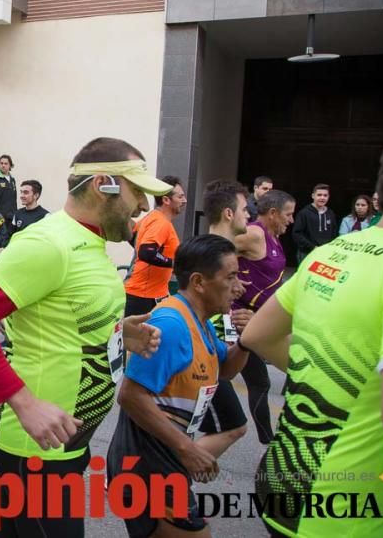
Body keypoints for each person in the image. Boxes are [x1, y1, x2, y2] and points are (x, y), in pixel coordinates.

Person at [0, 136, 166, 538]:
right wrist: (24, 402)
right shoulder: (48, 244)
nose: (144, 207)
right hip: (36, 444)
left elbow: (64, 316)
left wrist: (119, 334)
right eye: (138, 192)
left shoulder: (88, 240)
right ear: (105, 184)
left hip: (69, 436)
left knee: (13, 532)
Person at [241, 147, 383, 538]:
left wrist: (327, 376)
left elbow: (257, 334)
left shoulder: (333, 251)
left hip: (282, 479)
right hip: (348, 506)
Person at [108, 235, 250, 538]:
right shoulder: (172, 324)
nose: (239, 286)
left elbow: (225, 369)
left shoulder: (202, 321)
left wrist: (247, 340)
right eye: (231, 276)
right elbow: (130, 395)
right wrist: (188, 450)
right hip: (146, 465)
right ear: (199, 282)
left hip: (165, 460)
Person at [232, 188, 296, 445]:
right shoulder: (254, 234)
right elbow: (212, 250)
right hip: (242, 320)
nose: (291, 220)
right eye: (288, 215)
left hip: (265, 319)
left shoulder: (273, 237)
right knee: (259, 381)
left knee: (292, 371)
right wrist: (231, 279)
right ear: (273, 213)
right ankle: (268, 441)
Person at [196, 180, 252, 458]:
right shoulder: (210, 252)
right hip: (203, 351)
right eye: (245, 209)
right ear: (229, 214)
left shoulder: (223, 249)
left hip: (215, 348)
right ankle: (172, 476)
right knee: (234, 425)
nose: (249, 215)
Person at [123, 175, 186, 316]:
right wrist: (174, 264)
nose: (184, 200)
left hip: (150, 294)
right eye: (180, 197)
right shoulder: (161, 222)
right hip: (142, 296)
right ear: (166, 200)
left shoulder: (153, 217)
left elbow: (132, 236)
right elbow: (147, 252)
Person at [291, 182, 337, 263]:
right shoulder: (304, 213)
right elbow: (297, 234)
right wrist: (312, 247)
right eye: (319, 195)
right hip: (306, 253)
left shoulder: (331, 213)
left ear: (328, 197)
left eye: (325, 195)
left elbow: (334, 233)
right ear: (313, 196)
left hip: (325, 253)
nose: (322, 198)